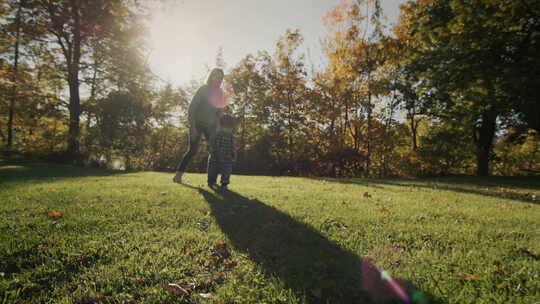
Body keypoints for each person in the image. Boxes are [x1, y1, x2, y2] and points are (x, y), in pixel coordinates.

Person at [173, 68, 229, 183]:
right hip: (197, 124)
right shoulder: (203, 89)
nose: (218, 79)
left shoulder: (221, 93)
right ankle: (178, 175)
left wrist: (218, 127)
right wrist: (192, 127)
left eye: (220, 77)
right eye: (216, 76)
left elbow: (220, 112)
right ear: (211, 76)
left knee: (214, 151)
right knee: (192, 150)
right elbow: (192, 108)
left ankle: (212, 179)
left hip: (211, 126)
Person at [207, 115, 236, 189]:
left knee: (227, 171)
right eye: (227, 128)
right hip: (214, 157)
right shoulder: (216, 134)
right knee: (212, 171)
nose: (229, 130)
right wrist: (211, 150)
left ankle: (224, 183)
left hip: (227, 158)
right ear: (221, 126)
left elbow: (233, 147)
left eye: (231, 128)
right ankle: (211, 182)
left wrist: (234, 155)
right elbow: (211, 144)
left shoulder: (231, 136)